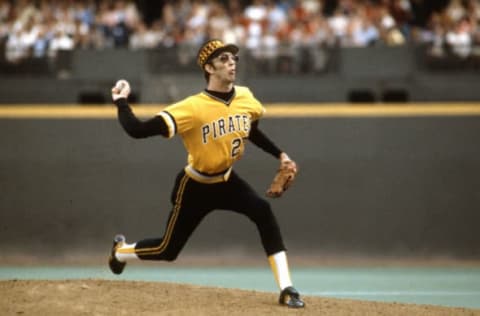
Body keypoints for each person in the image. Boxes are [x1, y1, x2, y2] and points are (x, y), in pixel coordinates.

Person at [108, 39, 305, 308]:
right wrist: (121, 102)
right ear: (209, 68)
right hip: (195, 185)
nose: (232, 63)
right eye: (223, 59)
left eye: (233, 59)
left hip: (227, 180)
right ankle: (120, 252)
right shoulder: (192, 107)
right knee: (167, 250)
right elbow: (137, 130)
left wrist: (281, 154)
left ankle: (287, 288)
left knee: (263, 211)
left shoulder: (246, 97)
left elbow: (251, 130)